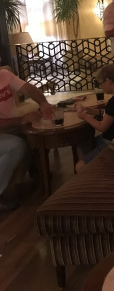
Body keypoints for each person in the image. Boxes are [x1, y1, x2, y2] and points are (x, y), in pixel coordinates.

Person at [0, 67, 54, 212]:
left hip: (9, 128)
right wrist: (21, 120)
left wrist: (43, 103)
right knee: (16, 145)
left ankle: (36, 170)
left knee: (39, 133)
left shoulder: (4, 74)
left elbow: (29, 89)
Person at [75, 64, 114, 172]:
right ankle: (92, 168)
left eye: (101, 83)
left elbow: (102, 127)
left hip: (111, 143)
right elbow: (112, 114)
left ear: (108, 81)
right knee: (82, 143)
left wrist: (84, 116)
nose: (101, 87)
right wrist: (92, 111)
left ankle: (90, 171)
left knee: (79, 167)